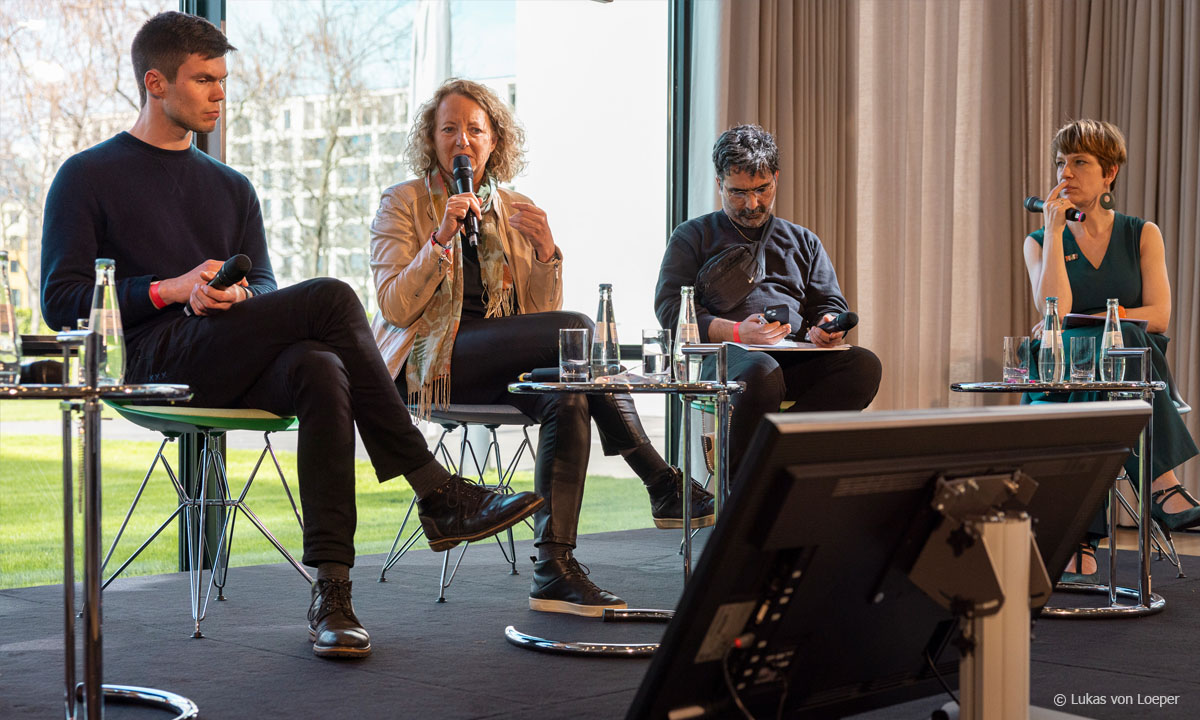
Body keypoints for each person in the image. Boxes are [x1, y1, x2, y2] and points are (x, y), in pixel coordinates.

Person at [40, 11, 543, 660]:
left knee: (319, 366)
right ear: (156, 83)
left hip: (230, 351)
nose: (220, 93)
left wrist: (241, 297)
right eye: (203, 80)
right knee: (333, 296)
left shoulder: (232, 189)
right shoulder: (87, 176)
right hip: (152, 359)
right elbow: (62, 303)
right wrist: (170, 288)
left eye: (223, 79)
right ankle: (435, 489)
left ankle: (332, 595)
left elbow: (272, 291)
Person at [370, 78, 714, 617]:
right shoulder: (404, 202)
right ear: (431, 140)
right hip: (432, 362)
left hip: (501, 362)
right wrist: (439, 238)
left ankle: (553, 568)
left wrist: (548, 253)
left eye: (475, 130)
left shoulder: (514, 207)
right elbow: (393, 305)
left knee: (568, 392)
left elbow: (536, 316)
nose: (462, 139)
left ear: (494, 141)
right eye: (449, 129)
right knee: (577, 327)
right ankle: (660, 479)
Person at [1022, 119, 1200, 580]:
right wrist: (1057, 233)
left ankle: (1081, 533)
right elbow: (1054, 313)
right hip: (1063, 372)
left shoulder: (1142, 233)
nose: (1066, 173)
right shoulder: (1040, 241)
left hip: (1125, 367)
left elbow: (1158, 315)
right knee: (1094, 342)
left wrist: (1100, 319)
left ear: (1110, 173)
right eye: (1061, 162)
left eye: (1080, 162)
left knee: (1122, 341)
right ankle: (1164, 489)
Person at [654, 125, 881, 482]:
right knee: (761, 371)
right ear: (719, 185)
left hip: (794, 360)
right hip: (730, 360)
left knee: (864, 366)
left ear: (776, 178)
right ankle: (747, 489)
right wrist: (738, 332)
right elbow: (670, 309)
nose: (752, 204)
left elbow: (830, 303)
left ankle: (774, 459)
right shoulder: (693, 236)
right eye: (738, 193)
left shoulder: (802, 240)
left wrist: (826, 327)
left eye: (762, 190)